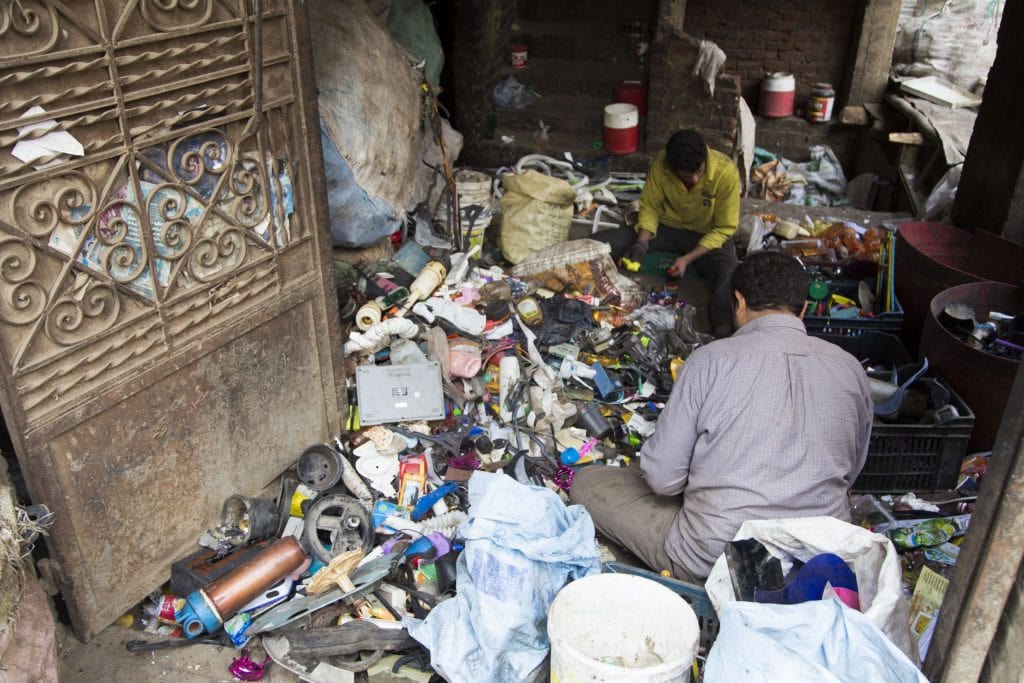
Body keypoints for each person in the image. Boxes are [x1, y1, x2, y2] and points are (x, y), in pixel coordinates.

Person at [569, 251, 873, 582]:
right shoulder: (850, 368)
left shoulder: (710, 360)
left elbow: (663, 480)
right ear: (803, 309)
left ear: (738, 302)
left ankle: (702, 581)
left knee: (587, 483)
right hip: (821, 561)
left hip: (720, 559)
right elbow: (851, 470)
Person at [593, 129, 740, 338]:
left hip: (706, 235)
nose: (696, 179)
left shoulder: (726, 172)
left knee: (730, 275)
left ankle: (722, 334)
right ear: (673, 169)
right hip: (666, 228)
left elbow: (724, 228)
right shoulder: (661, 164)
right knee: (605, 244)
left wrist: (687, 259)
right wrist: (642, 242)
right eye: (688, 176)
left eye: (700, 171)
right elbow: (650, 206)